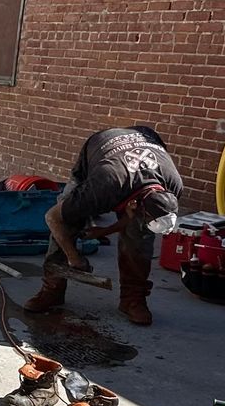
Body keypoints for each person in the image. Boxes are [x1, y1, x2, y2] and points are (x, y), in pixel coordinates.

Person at [26, 126, 183, 326]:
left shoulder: (174, 186)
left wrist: (104, 231)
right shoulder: (102, 186)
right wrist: (74, 257)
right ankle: (52, 290)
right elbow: (52, 218)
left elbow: (134, 218)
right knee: (67, 222)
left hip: (142, 144)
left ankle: (133, 300)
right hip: (101, 149)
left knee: (141, 236)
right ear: (135, 205)